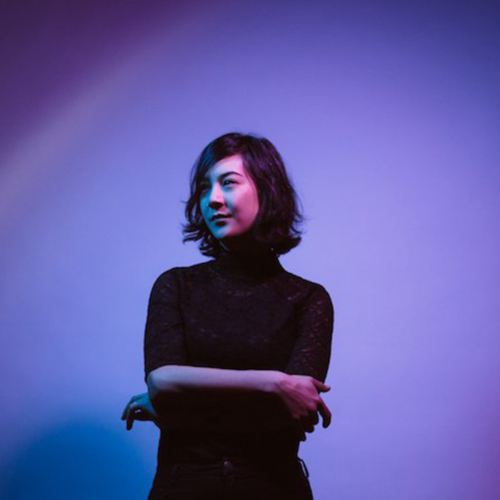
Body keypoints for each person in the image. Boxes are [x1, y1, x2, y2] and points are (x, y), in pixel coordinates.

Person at [121, 132, 335, 500]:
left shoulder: (308, 299)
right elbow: (162, 380)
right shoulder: (176, 285)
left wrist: (177, 408)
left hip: (274, 489)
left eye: (229, 183)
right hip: (183, 489)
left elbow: (293, 413)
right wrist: (272, 383)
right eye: (205, 188)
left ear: (267, 190)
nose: (212, 199)